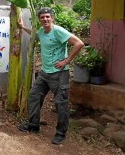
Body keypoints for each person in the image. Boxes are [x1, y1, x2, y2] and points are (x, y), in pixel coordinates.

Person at [18, 7, 84, 145]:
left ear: (52, 18)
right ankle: (34, 125)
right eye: (42, 17)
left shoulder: (58, 31)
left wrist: (66, 61)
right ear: (39, 19)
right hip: (44, 72)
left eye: (48, 17)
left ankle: (61, 133)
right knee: (34, 95)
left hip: (59, 74)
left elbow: (79, 43)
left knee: (61, 103)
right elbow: (34, 33)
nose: (45, 19)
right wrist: (23, 27)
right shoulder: (41, 31)